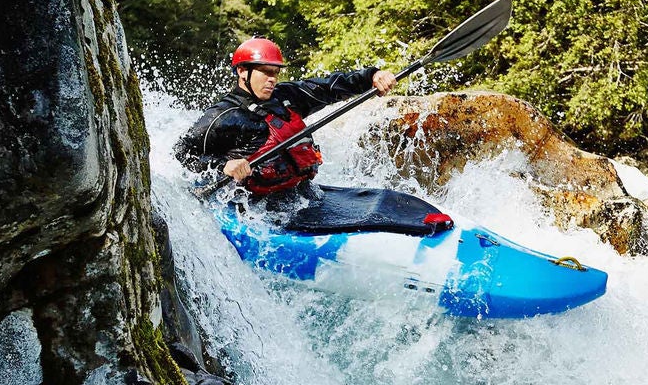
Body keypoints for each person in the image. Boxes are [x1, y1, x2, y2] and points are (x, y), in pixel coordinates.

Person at [178, 38, 450, 237]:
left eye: (275, 73)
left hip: (306, 195)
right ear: (242, 71)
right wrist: (223, 166)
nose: (272, 80)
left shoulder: (285, 97)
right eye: (265, 72)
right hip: (263, 210)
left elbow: (330, 87)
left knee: (384, 208)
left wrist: (371, 77)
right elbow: (183, 152)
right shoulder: (222, 116)